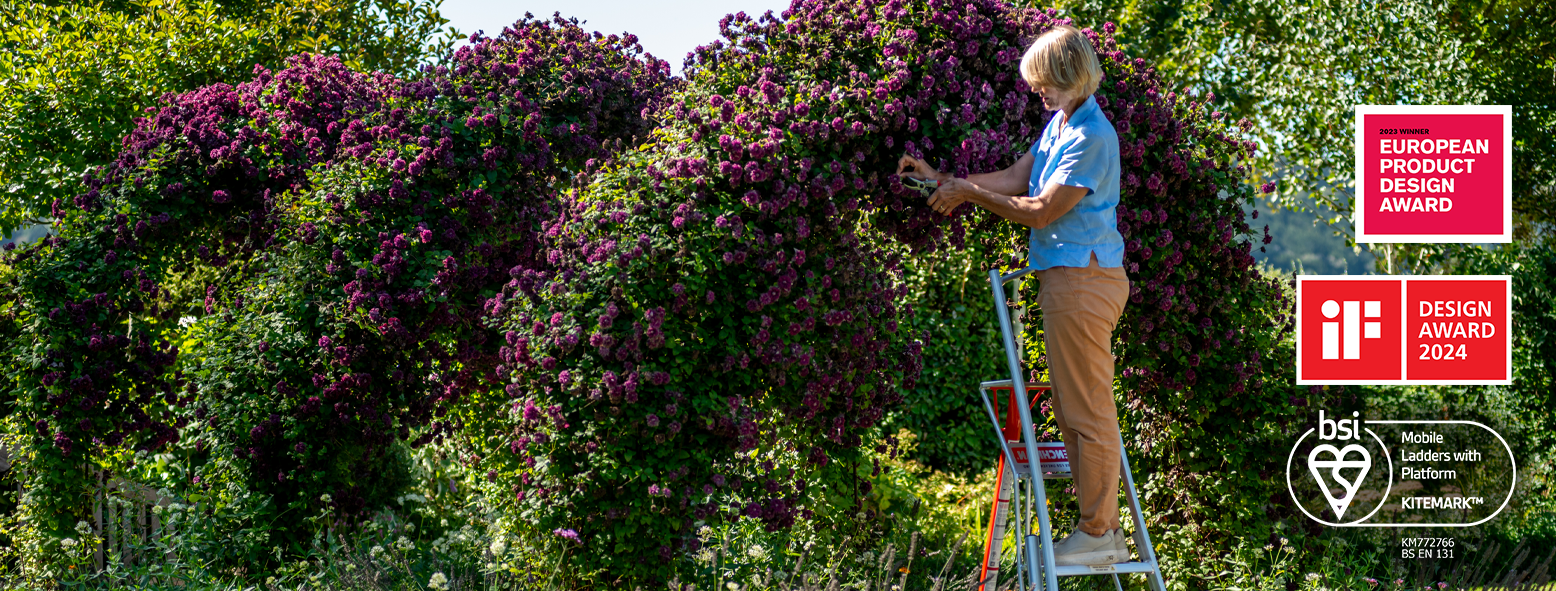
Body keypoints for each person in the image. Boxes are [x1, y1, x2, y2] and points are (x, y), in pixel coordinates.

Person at [896, 24, 1132, 567]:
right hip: (1068, 279)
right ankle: (1100, 532)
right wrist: (944, 182)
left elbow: (1043, 208)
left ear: (1070, 75)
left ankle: (1099, 534)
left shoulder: (1092, 136)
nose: (1037, 91)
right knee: (1077, 406)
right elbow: (1016, 178)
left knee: (1087, 409)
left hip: (1082, 280)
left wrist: (966, 195)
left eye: (1044, 81)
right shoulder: (1062, 124)